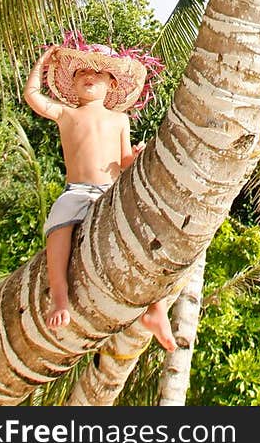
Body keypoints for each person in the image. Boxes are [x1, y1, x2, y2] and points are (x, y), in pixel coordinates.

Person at [23, 35, 176, 350]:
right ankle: (60, 297)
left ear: (112, 84)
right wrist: (44, 61)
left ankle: (156, 309)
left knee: (148, 237)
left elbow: (124, 162)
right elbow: (32, 95)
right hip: (76, 191)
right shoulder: (67, 113)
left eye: (98, 74)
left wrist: (138, 155)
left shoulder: (119, 119)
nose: (88, 77)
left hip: (110, 192)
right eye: (80, 73)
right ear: (72, 84)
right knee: (58, 229)